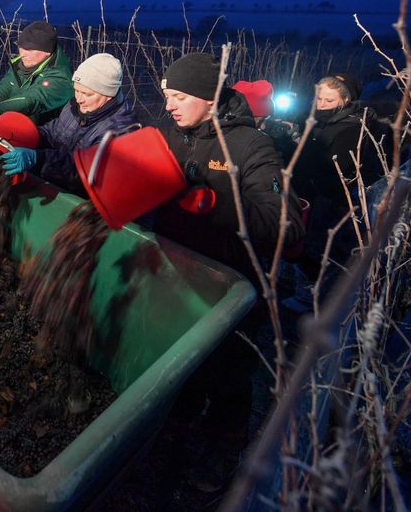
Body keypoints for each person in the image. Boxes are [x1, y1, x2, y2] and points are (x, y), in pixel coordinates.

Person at [154, 52, 305, 494]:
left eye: (178, 96)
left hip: (232, 284)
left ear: (207, 96)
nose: (169, 106)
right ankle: (176, 424)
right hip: (178, 272)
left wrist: (217, 207)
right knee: (180, 361)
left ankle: (224, 444)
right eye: (167, 96)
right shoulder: (170, 132)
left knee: (228, 372)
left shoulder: (250, 146)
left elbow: (285, 224)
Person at [283, 72, 391, 312]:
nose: (321, 105)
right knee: (299, 241)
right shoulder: (319, 118)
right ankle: (297, 285)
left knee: (316, 248)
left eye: (328, 101)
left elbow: (331, 170)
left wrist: (294, 148)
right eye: (318, 99)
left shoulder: (350, 130)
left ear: (345, 101)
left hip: (329, 200)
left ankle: (308, 300)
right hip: (308, 193)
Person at [0, 53, 135, 193]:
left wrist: (39, 159)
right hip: (53, 181)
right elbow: (52, 132)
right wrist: (25, 137)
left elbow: (86, 171)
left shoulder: (120, 131)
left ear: (108, 95)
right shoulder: (76, 107)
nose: (79, 99)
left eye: (87, 94)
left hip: (81, 200)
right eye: (76, 90)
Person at [0, 20, 73, 126]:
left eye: (29, 49)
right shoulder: (19, 64)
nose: (22, 54)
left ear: (47, 52)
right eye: (21, 47)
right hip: (11, 124)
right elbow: (2, 90)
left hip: (39, 135)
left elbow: (31, 100)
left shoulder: (60, 77)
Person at [232, 78, 300, 164]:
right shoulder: (254, 147)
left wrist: (293, 140)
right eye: (261, 120)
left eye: (266, 120)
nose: (263, 126)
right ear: (246, 116)